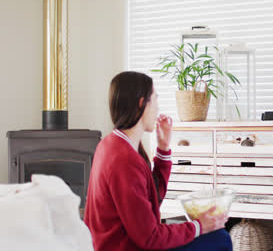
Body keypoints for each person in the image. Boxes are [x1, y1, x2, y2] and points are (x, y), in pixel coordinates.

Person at [84, 71, 232, 251]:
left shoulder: (112, 144)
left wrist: (163, 148)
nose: (158, 108)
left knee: (214, 236)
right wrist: (199, 226)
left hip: (122, 244)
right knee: (220, 239)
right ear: (142, 103)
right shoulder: (124, 159)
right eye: (155, 99)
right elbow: (150, 238)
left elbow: (152, 200)